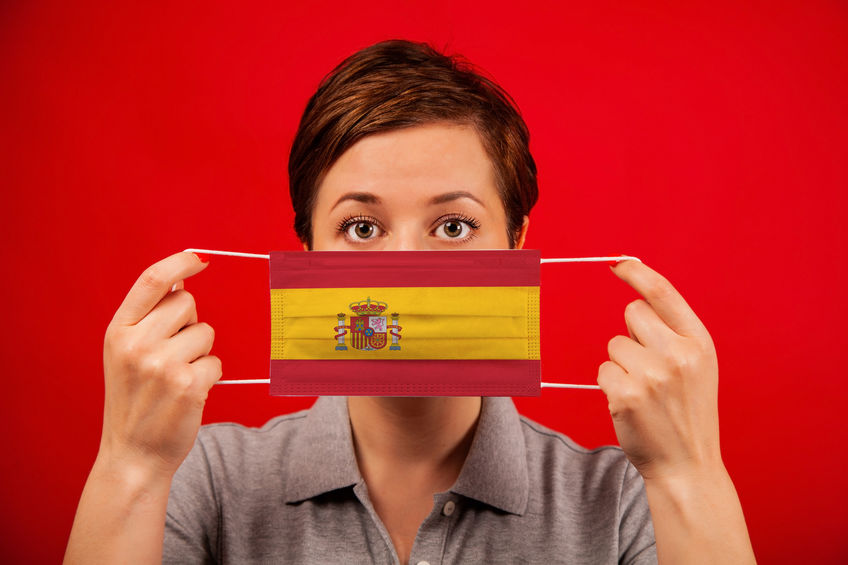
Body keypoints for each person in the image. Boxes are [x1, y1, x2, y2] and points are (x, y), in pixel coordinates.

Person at [64, 40, 756, 564]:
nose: (407, 270)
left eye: (453, 226)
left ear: (518, 245)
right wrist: (129, 463)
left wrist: (691, 473)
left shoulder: (621, 500)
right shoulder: (203, 479)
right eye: (361, 228)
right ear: (306, 252)